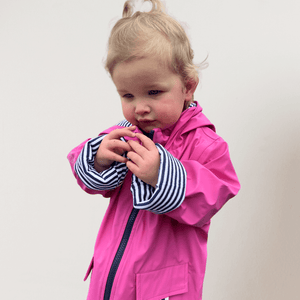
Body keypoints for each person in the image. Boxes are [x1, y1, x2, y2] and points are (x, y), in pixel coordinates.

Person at [67, 0, 240, 299]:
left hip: (161, 290)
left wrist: (162, 174)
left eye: (154, 92)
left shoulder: (205, 144)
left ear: (187, 86)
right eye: (128, 95)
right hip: (111, 278)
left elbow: (216, 193)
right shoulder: (127, 134)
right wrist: (96, 158)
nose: (141, 107)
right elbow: (87, 176)